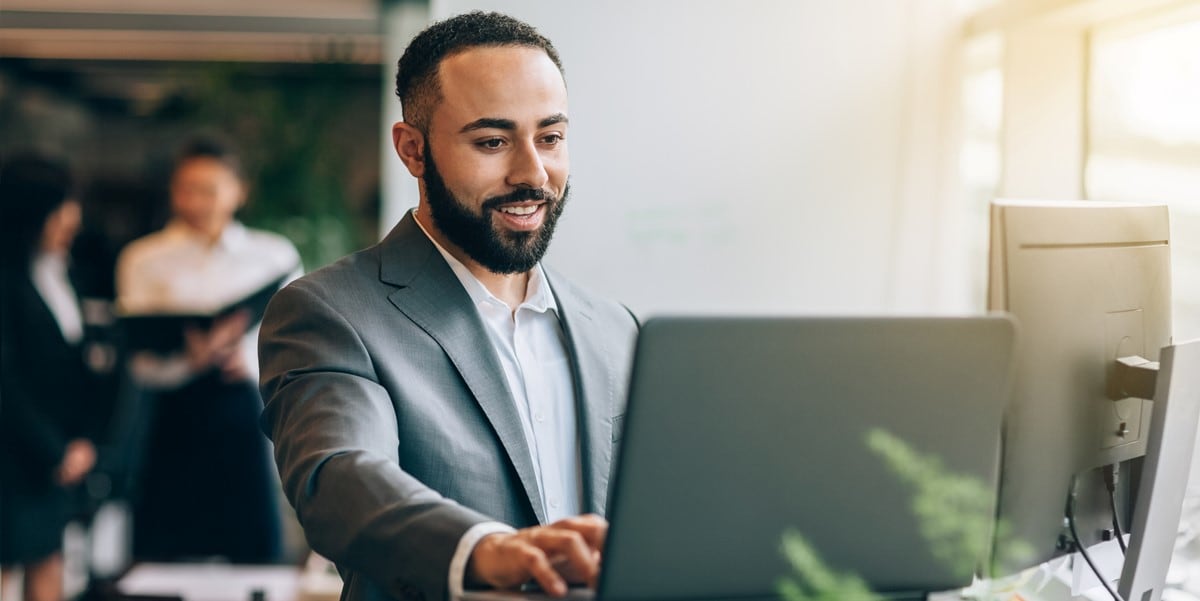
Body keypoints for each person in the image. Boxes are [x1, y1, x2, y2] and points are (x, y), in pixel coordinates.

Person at [258, 11, 638, 601]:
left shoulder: (616, 329)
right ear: (412, 150)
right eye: (492, 141)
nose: (532, 173)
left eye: (551, 137)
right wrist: (486, 551)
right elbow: (339, 477)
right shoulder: (329, 313)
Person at [115, 137, 300, 563]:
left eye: (210, 189)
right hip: (173, 413)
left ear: (239, 190)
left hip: (244, 408)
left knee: (252, 548)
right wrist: (188, 358)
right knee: (166, 553)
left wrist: (248, 360)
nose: (196, 201)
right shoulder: (142, 258)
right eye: (186, 189)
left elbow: (295, 344)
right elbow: (139, 356)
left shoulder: (272, 256)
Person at [0, 154, 98, 601]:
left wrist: (78, 441)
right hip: (16, 456)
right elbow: (6, 379)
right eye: (61, 207)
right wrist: (53, 448)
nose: (72, 219)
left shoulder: (62, 274)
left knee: (50, 563)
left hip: (53, 459)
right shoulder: (7, 279)